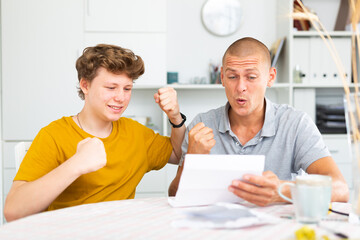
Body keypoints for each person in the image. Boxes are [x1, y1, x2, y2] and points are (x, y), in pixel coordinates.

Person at [4, 44, 186, 221]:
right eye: (111, 87)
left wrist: (175, 117)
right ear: (85, 85)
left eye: (127, 88)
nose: (121, 97)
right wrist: (75, 165)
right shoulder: (54, 135)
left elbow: (179, 154)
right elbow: (13, 211)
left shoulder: (136, 133)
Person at [168, 37, 349, 206]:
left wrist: (283, 190)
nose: (240, 88)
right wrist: (192, 160)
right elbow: (174, 195)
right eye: (232, 77)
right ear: (222, 77)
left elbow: (340, 189)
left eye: (251, 77)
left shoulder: (295, 124)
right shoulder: (202, 124)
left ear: (270, 77)